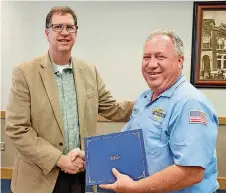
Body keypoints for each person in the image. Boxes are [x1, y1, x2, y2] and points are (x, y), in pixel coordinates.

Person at [5, 6, 133, 193]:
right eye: (57, 27)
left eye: (70, 27)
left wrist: (149, 101)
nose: (64, 33)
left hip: (80, 174)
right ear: (46, 33)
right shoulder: (24, 73)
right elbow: (17, 128)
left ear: (76, 32)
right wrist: (59, 159)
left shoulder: (89, 71)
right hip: (39, 177)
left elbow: (112, 108)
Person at [100, 30, 219, 193]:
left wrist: (135, 188)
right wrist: (92, 156)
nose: (151, 64)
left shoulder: (191, 103)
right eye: (146, 57)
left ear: (179, 61)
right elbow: (125, 144)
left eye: (160, 57)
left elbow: (191, 172)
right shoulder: (145, 98)